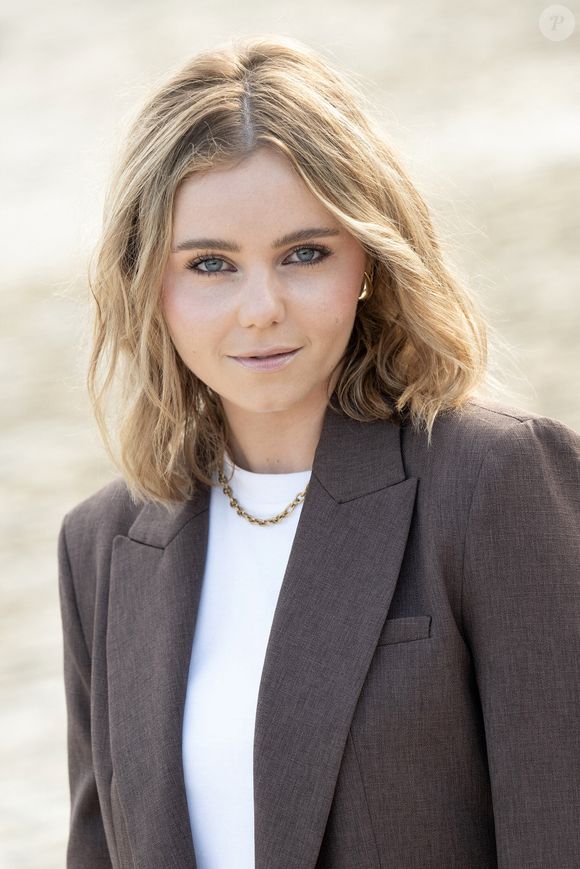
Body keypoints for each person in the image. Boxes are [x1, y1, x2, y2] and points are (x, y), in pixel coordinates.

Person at [57, 33, 580, 869]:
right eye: (211, 264)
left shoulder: (495, 483)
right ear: (148, 282)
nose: (260, 307)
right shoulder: (103, 547)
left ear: (368, 259)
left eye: (304, 254)